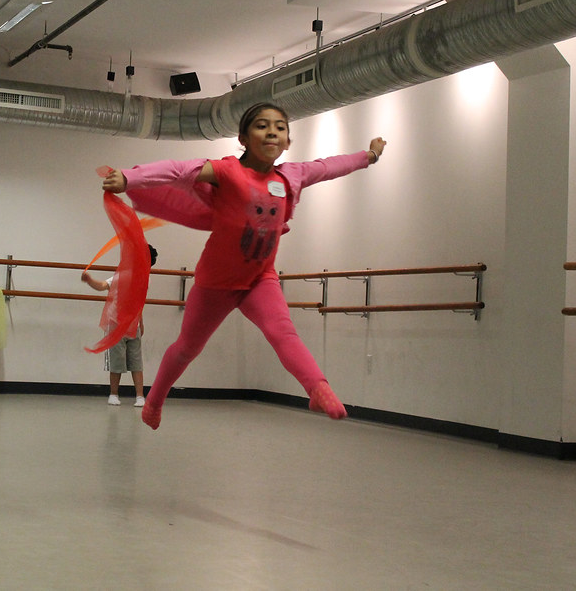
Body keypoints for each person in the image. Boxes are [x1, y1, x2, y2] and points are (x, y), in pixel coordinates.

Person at [101, 102, 386, 429]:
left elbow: (328, 166)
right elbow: (179, 169)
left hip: (259, 279)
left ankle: (317, 388)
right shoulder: (227, 172)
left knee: (283, 332)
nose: (272, 132)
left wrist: (369, 156)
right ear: (243, 138)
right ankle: (155, 400)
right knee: (187, 349)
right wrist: (130, 177)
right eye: (262, 126)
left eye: (280, 127)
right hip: (215, 284)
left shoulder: (291, 175)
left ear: (288, 141)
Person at [82, 244, 157, 407]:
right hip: (115, 324)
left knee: (136, 362)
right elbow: (102, 285)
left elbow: (139, 302)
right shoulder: (121, 276)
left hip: (133, 325)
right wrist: (90, 281)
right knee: (117, 361)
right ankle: (114, 393)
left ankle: (140, 396)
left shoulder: (145, 278)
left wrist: (141, 321)